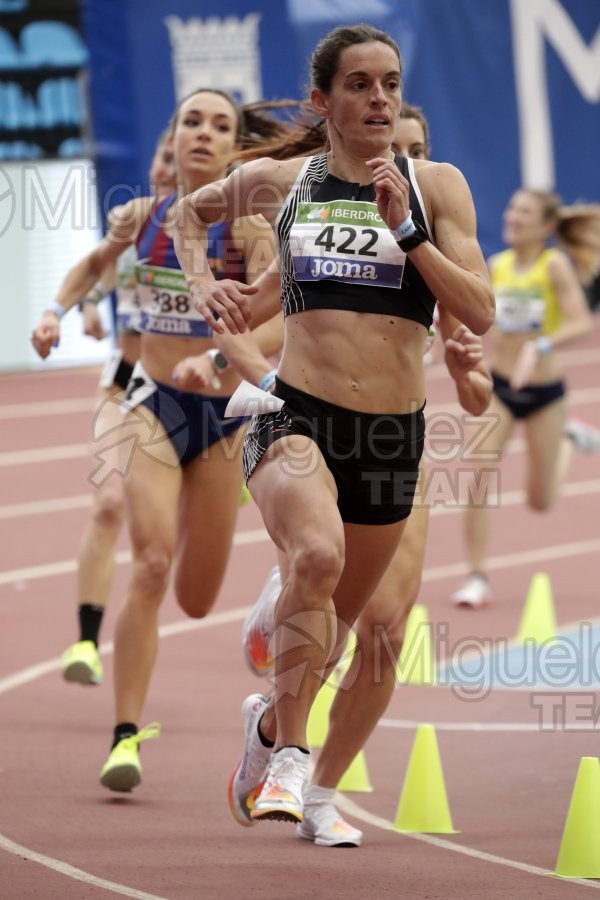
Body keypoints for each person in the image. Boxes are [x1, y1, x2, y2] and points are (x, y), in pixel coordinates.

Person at [175, 23, 495, 827]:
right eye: (359, 84)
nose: (379, 98)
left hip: (391, 437)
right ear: (324, 101)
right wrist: (202, 284)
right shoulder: (287, 180)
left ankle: (263, 728)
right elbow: (186, 213)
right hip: (298, 414)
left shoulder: (438, 187)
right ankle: (290, 757)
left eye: (389, 82)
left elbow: (481, 311)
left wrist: (409, 232)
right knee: (316, 554)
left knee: (341, 631)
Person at [32, 88, 282, 792]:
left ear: (236, 149)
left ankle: (263, 613)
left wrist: (227, 357)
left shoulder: (249, 229)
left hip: (224, 417)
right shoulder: (144, 219)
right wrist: (56, 310)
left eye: (219, 125)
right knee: (148, 564)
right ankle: (124, 737)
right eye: (190, 121)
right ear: (171, 139)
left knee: (197, 599)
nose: (202, 133)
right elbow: (91, 267)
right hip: (153, 404)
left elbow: (283, 319)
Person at [31, 130, 176, 687]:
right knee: (108, 505)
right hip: (124, 382)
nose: (168, 166)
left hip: (189, 398)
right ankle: (87, 642)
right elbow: (101, 270)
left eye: (178, 159)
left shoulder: (215, 230)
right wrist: (69, 311)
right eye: (162, 155)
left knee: (164, 551)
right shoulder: (134, 218)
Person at [450, 188, 594, 608]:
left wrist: (541, 346)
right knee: (478, 478)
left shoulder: (554, 267)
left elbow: (580, 322)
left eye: (525, 212)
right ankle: (476, 576)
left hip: (546, 393)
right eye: (511, 207)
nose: (513, 216)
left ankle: (568, 439)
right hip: (501, 387)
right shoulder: (497, 265)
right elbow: (477, 315)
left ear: (545, 227)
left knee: (539, 502)